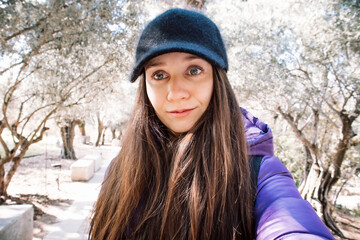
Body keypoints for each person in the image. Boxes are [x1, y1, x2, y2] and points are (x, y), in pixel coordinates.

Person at [89, 8, 335, 240]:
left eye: (194, 70)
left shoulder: (260, 172)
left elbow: (289, 222)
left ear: (217, 80)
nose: (175, 93)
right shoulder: (120, 169)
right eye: (159, 75)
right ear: (145, 86)